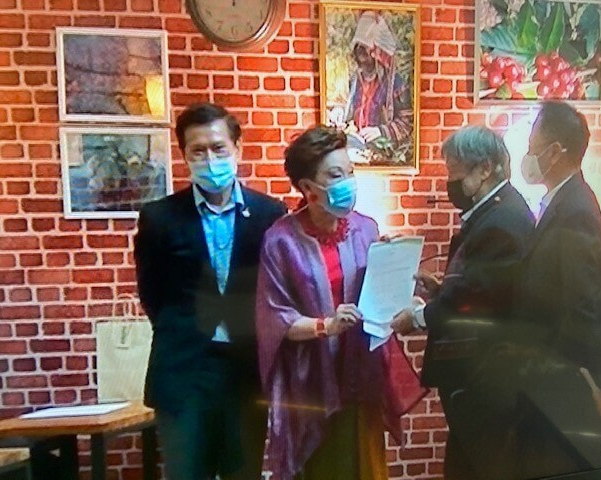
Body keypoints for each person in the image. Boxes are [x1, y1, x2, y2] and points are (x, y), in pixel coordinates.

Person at [256, 125, 423, 480]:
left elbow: (377, 296)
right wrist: (326, 326)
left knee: (365, 467)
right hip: (311, 384)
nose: (348, 182)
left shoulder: (366, 229)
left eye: (350, 172)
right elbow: (275, 318)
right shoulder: (281, 240)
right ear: (308, 188)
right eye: (335, 175)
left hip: (361, 375)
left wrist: (394, 268)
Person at [134, 103, 286, 480]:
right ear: (184, 155)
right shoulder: (159, 217)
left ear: (238, 148)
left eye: (218, 148)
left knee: (244, 474)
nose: (209, 159)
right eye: (198, 150)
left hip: (245, 371)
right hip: (184, 372)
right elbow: (152, 294)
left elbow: (276, 290)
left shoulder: (269, 214)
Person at [391, 125, 535, 479]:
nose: (450, 182)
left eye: (454, 172)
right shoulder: (496, 211)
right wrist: (442, 289)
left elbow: (481, 301)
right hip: (480, 377)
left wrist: (419, 316)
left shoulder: (502, 220)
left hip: (485, 378)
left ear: (484, 169)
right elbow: (482, 287)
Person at [513, 100, 601, 478]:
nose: (527, 157)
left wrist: (582, 383)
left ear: (555, 152)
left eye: (532, 147)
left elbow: (583, 307)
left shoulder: (576, 211)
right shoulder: (560, 202)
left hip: (562, 390)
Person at [336, 10, 413, 146]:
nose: (362, 59)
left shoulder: (396, 84)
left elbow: (406, 124)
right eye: (358, 51)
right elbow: (346, 106)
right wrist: (339, 112)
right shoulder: (354, 80)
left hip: (382, 150)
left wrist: (380, 131)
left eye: (366, 53)